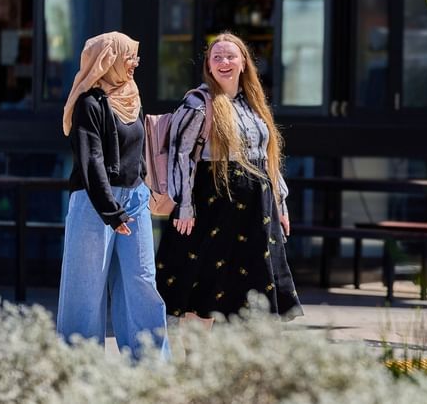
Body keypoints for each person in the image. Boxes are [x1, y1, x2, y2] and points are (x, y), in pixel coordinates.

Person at [155, 32, 303, 326]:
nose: (224, 62)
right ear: (208, 65)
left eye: (230, 56)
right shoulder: (198, 103)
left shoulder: (254, 104)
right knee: (203, 287)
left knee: (251, 291)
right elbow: (181, 155)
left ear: (244, 63)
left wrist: (281, 204)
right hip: (213, 206)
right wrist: (185, 205)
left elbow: (269, 158)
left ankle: (237, 364)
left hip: (255, 211)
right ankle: (193, 364)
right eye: (217, 57)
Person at [56, 32, 170, 358]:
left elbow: (139, 149)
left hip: (134, 200)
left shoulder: (131, 96)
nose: (134, 63)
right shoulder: (88, 104)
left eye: (135, 57)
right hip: (95, 203)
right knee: (85, 289)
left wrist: (145, 185)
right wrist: (111, 210)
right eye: (129, 57)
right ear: (108, 59)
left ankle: (151, 365)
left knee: (142, 282)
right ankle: (76, 367)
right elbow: (91, 161)